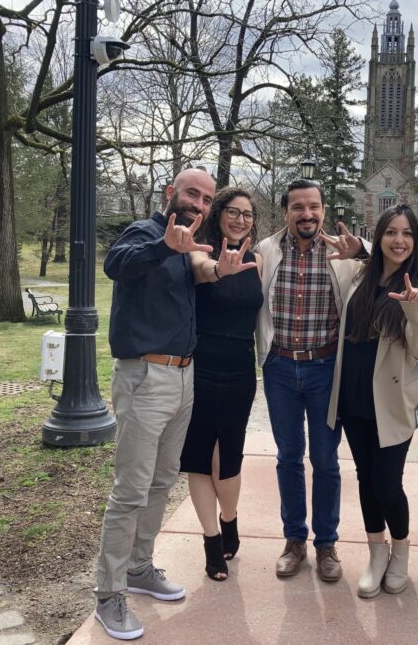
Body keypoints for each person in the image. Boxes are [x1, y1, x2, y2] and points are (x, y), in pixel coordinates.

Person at [94, 167, 235, 641]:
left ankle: (139, 568)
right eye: (191, 193)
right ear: (170, 193)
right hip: (144, 376)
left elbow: (200, 272)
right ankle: (108, 595)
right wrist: (164, 247)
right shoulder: (145, 232)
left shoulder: (192, 244)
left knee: (159, 482)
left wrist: (216, 269)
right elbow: (116, 264)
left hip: (183, 376)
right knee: (130, 490)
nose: (197, 203)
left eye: (206, 198)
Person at [255, 178, 367, 583]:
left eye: (314, 206)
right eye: (298, 206)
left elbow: (391, 265)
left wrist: (365, 251)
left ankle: (326, 544)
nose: (307, 214)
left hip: (325, 370)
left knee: (325, 459)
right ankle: (294, 541)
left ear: (322, 209)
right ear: (286, 211)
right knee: (288, 457)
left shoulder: (343, 254)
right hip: (280, 368)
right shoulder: (266, 251)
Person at [326, 204, 418, 599]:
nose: (399, 240)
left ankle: (402, 554)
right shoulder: (362, 273)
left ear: (415, 240)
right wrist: (356, 251)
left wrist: (414, 309)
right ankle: (376, 554)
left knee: (388, 482)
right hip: (354, 395)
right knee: (365, 478)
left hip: (391, 399)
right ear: (380, 236)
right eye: (391, 232)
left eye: (407, 233)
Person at [180, 187, 262, 582]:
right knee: (198, 455)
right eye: (233, 212)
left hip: (241, 369)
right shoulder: (202, 249)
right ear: (219, 214)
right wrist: (217, 269)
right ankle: (212, 541)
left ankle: (229, 518)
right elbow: (199, 269)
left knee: (226, 457)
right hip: (201, 364)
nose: (240, 219)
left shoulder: (258, 260)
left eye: (247, 214)